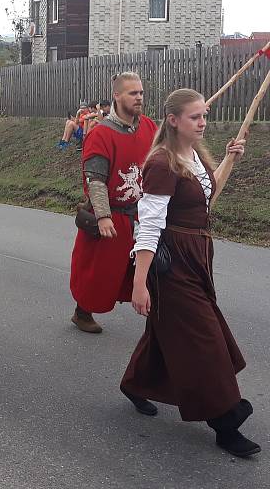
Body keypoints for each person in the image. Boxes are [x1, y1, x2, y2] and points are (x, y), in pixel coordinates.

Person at [120, 88, 260, 458]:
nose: (203, 122)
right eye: (195, 117)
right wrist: (139, 282)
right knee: (203, 337)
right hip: (172, 263)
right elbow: (148, 227)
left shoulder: (193, 156)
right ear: (173, 120)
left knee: (168, 328)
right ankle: (225, 421)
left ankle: (136, 382)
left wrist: (230, 159)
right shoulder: (161, 163)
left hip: (197, 255)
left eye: (204, 116)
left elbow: (207, 196)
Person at [69, 72, 157, 333]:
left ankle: (159, 318)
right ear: (117, 96)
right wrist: (103, 216)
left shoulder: (149, 127)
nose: (139, 97)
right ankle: (82, 312)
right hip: (112, 214)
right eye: (133, 93)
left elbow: (163, 153)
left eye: (140, 92)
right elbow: (95, 180)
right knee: (100, 272)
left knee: (145, 269)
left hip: (140, 213)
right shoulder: (100, 134)